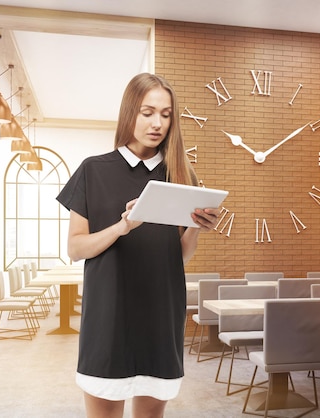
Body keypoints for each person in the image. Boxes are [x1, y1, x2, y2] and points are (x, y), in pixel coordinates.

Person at [56, 73, 219, 418]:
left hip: (160, 314)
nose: (157, 123)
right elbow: (75, 248)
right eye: (147, 112)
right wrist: (121, 227)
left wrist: (197, 227)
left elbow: (179, 255)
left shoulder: (180, 176)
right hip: (108, 315)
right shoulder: (93, 170)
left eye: (166, 114)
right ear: (130, 112)